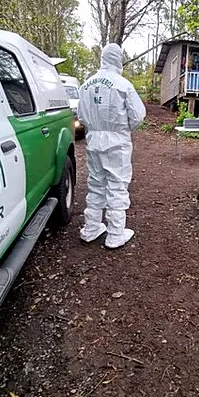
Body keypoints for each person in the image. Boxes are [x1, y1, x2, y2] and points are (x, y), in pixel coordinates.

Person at [77, 43, 146, 249]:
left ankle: (91, 228)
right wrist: (122, 129)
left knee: (96, 183)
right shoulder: (123, 84)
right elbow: (138, 116)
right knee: (116, 184)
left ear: (102, 58)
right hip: (117, 141)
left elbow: (81, 116)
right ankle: (115, 233)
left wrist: (96, 127)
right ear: (119, 60)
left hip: (94, 140)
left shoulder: (85, 85)